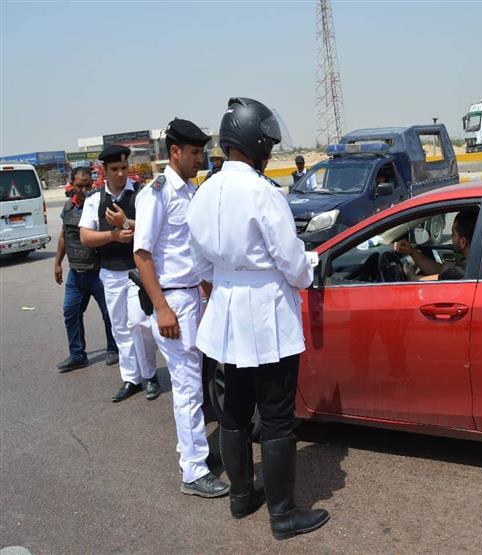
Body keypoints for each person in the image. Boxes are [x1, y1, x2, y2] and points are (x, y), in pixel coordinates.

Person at [187, 97, 329, 539]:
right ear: (256, 141)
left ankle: (241, 496)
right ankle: (283, 515)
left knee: (233, 410)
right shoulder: (264, 193)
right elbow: (291, 262)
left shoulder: (205, 191)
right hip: (265, 313)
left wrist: (229, 278)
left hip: (227, 311)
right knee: (276, 415)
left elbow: (200, 265)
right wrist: (310, 265)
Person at [133, 118, 229, 499]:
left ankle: (197, 454)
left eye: (202, 152)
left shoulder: (189, 191)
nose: (200, 159)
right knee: (187, 385)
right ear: (175, 152)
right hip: (172, 299)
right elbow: (142, 255)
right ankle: (192, 471)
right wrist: (162, 308)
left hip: (193, 295)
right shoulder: (156, 193)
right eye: (194, 153)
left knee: (198, 379)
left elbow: (193, 252)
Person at [79, 144, 159, 402]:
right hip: (110, 272)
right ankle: (131, 378)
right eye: (115, 169)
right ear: (105, 170)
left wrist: (126, 224)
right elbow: (86, 237)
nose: (121, 174)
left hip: (138, 271)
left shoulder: (141, 195)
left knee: (139, 323)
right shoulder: (94, 200)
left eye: (124, 168)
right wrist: (113, 235)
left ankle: (150, 374)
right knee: (120, 327)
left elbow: (153, 226)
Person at [54, 166, 118, 372]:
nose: (84, 190)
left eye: (87, 185)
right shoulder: (67, 208)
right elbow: (64, 236)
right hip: (76, 273)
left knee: (109, 313)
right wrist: (57, 263)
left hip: (98, 271)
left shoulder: (98, 206)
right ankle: (77, 354)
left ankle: (114, 348)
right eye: (80, 186)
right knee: (70, 312)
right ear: (71, 184)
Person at [394, 209, 477, 281]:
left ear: (463, 242)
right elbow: (441, 269)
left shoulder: (462, 271)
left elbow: (419, 281)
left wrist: (409, 273)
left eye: (453, 233)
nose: (451, 236)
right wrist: (412, 252)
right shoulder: (473, 261)